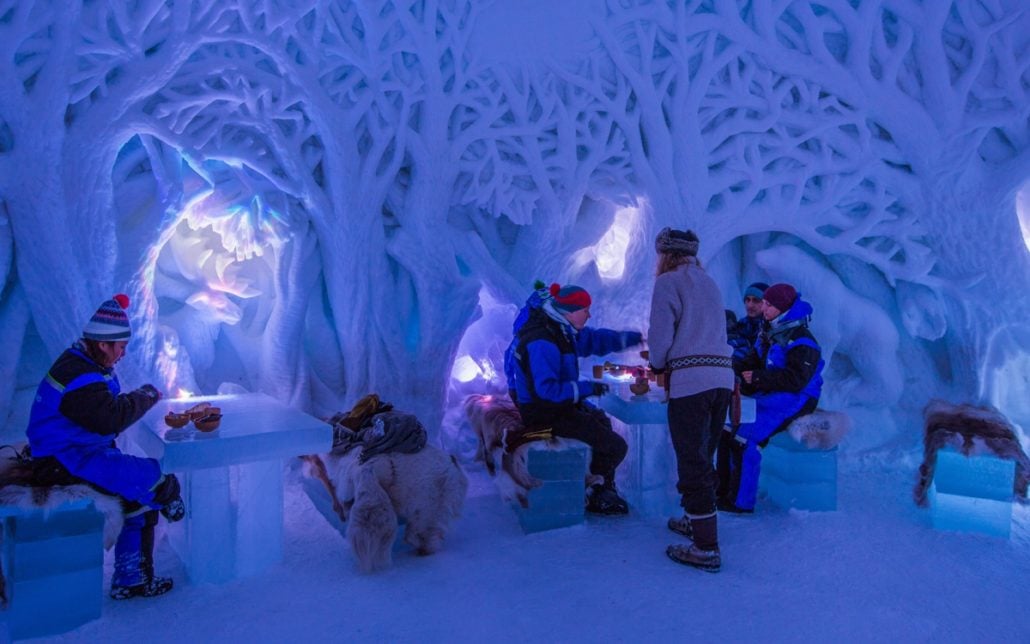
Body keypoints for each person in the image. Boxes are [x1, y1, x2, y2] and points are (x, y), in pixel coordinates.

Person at [26, 294, 185, 599]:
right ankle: (169, 496)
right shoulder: (79, 375)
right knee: (148, 475)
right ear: (103, 344)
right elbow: (109, 418)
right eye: (120, 347)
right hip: (62, 460)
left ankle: (132, 578)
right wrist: (147, 395)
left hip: (74, 451)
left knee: (136, 497)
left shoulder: (81, 362)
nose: (123, 354)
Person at [510, 282, 643, 515]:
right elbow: (546, 392)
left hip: (557, 407)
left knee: (602, 420)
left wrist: (630, 339)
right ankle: (587, 488)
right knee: (616, 447)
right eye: (585, 310)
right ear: (570, 311)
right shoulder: (542, 341)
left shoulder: (560, 329)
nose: (589, 315)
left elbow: (594, 340)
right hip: (543, 412)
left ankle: (602, 487)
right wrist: (586, 388)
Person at [647, 228, 734, 572]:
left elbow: (660, 334)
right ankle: (694, 518)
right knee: (704, 455)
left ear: (666, 255)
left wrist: (656, 364)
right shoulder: (708, 282)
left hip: (691, 381)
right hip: (721, 379)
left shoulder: (668, 283)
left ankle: (705, 547)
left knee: (691, 461)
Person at [717, 283, 824, 513]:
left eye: (768, 304)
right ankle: (720, 491)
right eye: (763, 303)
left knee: (744, 438)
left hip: (798, 398)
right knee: (726, 429)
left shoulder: (802, 339)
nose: (763, 308)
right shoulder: (770, 332)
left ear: (783, 307)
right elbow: (752, 361)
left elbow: (797, 380)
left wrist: (758, 378)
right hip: (772, 393)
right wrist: (728, 368)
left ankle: (740, 502)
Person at [727, 281, 768, 369]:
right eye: (747, 300)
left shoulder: (769, 329)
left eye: (756, 300)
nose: (750, 305)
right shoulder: (740, 326)